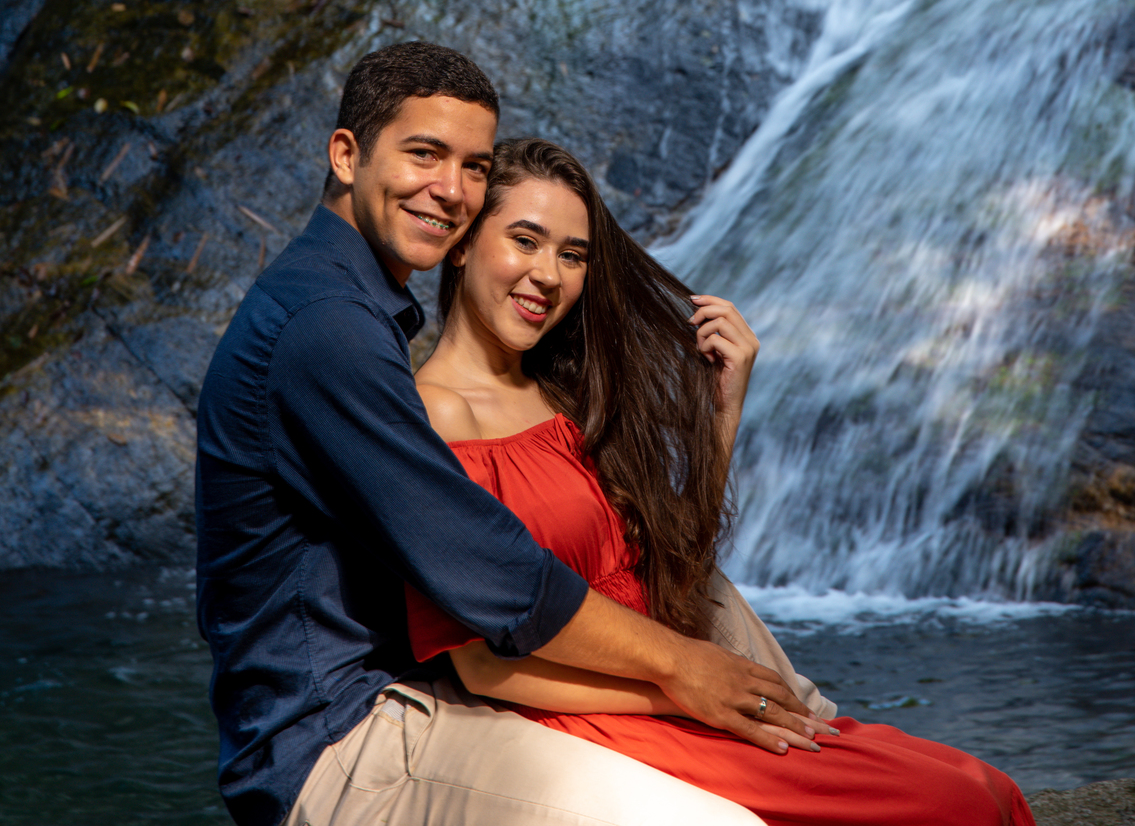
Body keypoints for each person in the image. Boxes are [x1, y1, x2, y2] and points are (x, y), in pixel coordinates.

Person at [195, 41, 822, 826]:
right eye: (425, 154)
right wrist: (678, 668)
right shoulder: (329, 328)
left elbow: (631, 567)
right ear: (347, 155)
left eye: (474, 166)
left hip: (408, 701)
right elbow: (487, 570)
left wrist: (720, 417)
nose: (450, 190)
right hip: (339, 737)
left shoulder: (356, 310)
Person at [407, 136, 1039, 826]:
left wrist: (723, 411)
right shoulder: (437, 416)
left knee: (975, 782)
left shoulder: (563, 398)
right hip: (597, 722)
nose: (549, 274)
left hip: (683, 689)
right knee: (951, 803)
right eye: (524, 241)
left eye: (572, 254)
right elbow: (481, 669)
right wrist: (682, 691)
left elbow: (668, 576)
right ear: (463, 243)